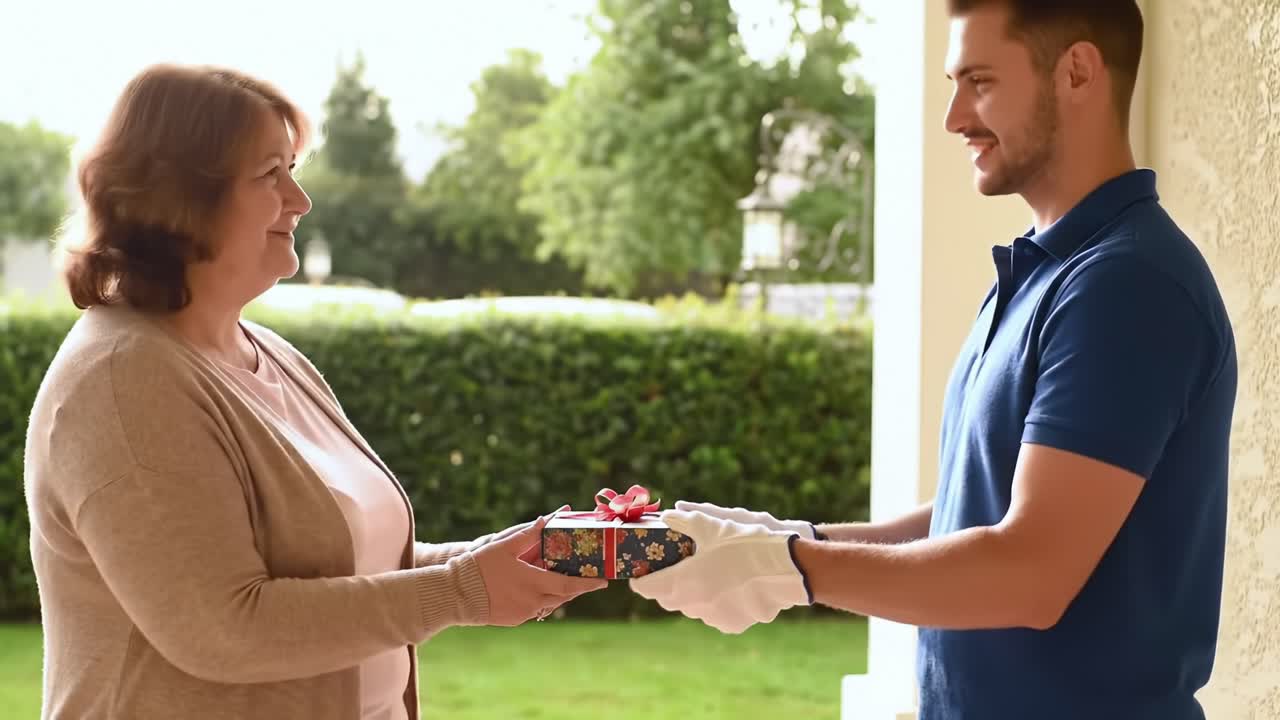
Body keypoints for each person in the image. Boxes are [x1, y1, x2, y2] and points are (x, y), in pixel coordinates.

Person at [631, 2, 1238, 719]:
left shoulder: (1128, 284)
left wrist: (788, 568)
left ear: (1077, 72)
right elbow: (973, 514)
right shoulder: (1043, 274)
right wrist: (785, 540)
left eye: (980, 81)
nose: (954, 118)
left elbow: (1031, 571)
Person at [23, 63, 605, 720]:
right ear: (183, 196)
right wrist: (463, 590)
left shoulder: (269, 356)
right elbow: (223, 628)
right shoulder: (123, 382)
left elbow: (344, 564)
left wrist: (501, 559)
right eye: (270, 173)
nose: (299, 200)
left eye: (292, 169)